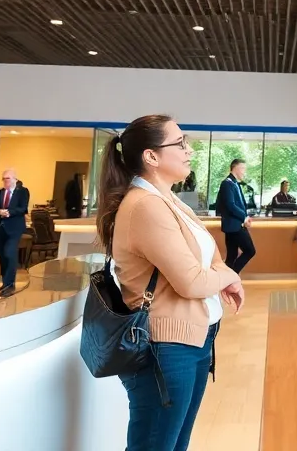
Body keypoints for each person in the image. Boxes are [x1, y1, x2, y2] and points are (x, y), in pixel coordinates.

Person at [96, 115, 244, 451]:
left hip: (192, 340)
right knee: (157, 443)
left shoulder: (168, 199)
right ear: (151, 156)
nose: (189, 149)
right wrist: (231, 276)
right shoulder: (147, 205)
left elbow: (211, 258)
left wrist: (221, 274)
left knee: (175, 442)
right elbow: (191, 281)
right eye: (180, 143)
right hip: (164, 347)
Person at [0, 169, 30, 297]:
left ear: (15, 179)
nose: (5, 181)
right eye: (4, 179)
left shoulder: (22, 192)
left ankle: (10, 285)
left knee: (9, 253)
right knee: (2, 257)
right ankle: (6, 284)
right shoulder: (0, 193)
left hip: (14, 228)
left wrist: (9, 212)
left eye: (8, 178)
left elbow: (23, 208)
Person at [216, 159, 255, 275]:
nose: (244, 172)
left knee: (231, 256)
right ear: (235, 168)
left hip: (236, 225)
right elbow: (230, 205)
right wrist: (244, 218)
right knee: (250, 251)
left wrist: (245, 216)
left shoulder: (234, 183)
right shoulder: (227, 183)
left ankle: (226, 280)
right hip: (234, 226)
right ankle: (231, 276)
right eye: (243, 169)